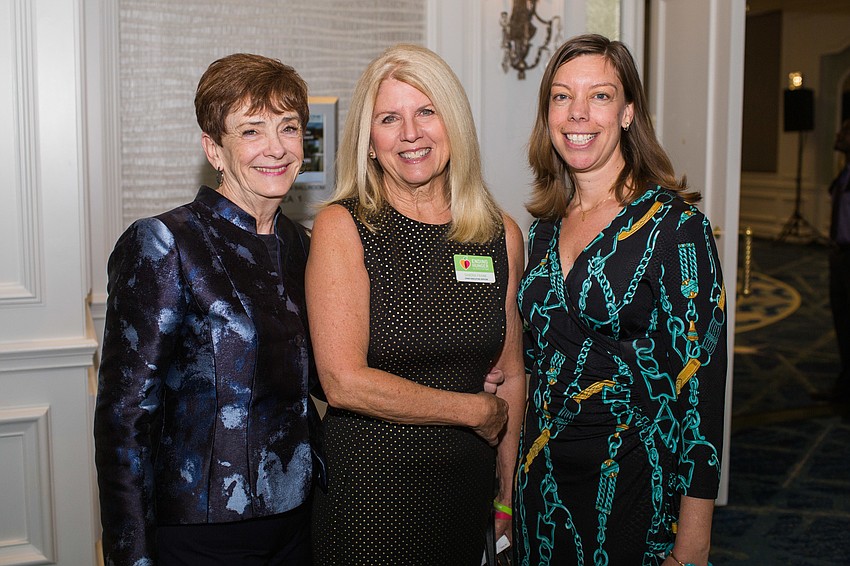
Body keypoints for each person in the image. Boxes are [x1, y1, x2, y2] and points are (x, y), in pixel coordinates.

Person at [94, 53, 321, 566]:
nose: (276, 147)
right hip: (202, 532)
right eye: (252, 131)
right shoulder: (166, 242)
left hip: (301, 523)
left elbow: (325, 377)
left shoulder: (303, 245)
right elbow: (124, 419)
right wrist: (130, 556)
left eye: (288, 128)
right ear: (214, 149)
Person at [306, 43, 526, 565]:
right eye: (389, 118)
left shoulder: (501, 234)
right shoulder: (344, 227)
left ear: (453, 122)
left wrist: (506, 490)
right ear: (369, 139)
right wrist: (474, 410)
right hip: (370, 496)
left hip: (465, 490)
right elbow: (343, 381)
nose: (410, 133)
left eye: (427, 111)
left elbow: (511, 372)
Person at [514, 34, 727, 566]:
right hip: (541, 493)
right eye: (562, 96)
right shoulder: (541, 230)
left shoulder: (676, 229)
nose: (578, 113)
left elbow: (702, 393)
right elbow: (532, 363)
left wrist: (694, 544)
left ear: (629, 111)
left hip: (635, 491)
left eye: (600, 96)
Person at [813, 119, 850, 403]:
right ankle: (843, 387)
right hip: (839, 256)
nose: (838, 134)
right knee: (841, 321)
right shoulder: (844, 172)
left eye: (846, 131)